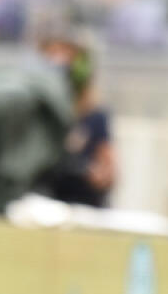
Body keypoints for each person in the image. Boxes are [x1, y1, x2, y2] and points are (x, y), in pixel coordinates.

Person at [38, 29, 116, 208]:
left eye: (66, 53)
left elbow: (109, 173)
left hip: (83, 206)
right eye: (52, 54)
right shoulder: (41, 112)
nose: (59, 62)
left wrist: (95, 175)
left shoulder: (96, 115)